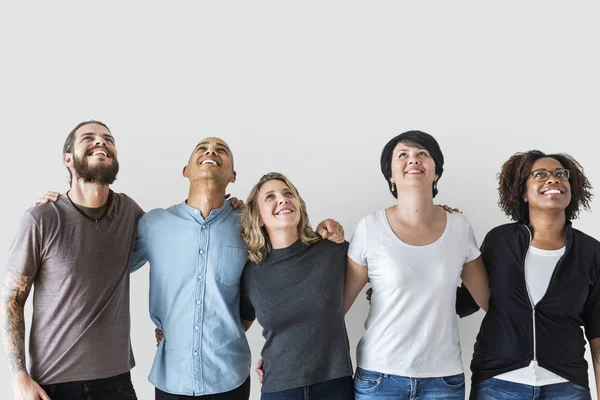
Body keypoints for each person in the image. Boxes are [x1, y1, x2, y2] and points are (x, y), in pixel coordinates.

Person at [132, 138, 344, 400]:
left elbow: (290, 256)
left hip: (230, 378)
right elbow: (108, 272)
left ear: (232, 175)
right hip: (171, 377)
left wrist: (326, 228)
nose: (211, 151)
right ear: (185, 170)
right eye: (202, 148)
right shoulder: (153, 225)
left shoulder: (247, 227)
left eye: (222, 150)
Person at [1, 120, 142, 400]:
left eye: (108, 139)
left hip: (118, 383)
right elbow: (11, 300)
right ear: (68, 159)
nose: (101, 142)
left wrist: (232, 207)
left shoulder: (130, 212)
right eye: (88, 138)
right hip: (54, 385)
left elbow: (177, 235)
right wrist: (18, 376)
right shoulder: (41, 218)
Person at [344, 130, 490, 399]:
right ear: (391, 175)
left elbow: (489, 300)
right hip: (379, 377)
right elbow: (336, 306)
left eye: (422, 153)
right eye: (403, 155)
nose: (413, 159)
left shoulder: (459, 226)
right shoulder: (369, 228)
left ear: (436, 173)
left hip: (443, 380)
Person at [468, 150, 600, 400]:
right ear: (522, 192)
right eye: (540, 175)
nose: (553, 180)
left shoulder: (591, 251)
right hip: (498, 385)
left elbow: (597, 329)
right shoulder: (499, 241)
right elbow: (468, 299)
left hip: (566, 387)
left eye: (561, 174)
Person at [239, 172, 354, 400]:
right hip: (279, 388)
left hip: (334, 386)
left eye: (287, 193)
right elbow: (236, 328)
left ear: (298, 206)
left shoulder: (331, 250)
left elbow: (385, 266)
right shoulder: (251, 273)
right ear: (259, 217)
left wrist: (431, 214)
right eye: (270, 196)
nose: (282, 199)